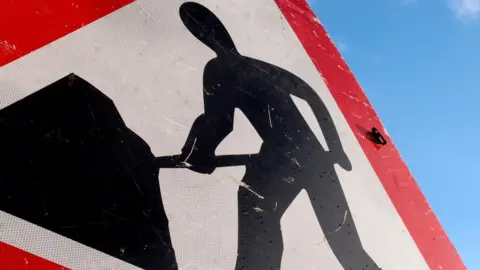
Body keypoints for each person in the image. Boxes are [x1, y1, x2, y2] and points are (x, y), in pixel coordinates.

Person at [178, 2, 379, 269]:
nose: (211, 33)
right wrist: (334, 147)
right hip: (314, 156)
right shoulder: (251, 66)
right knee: (347, 245)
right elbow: (311, 97)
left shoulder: (220, 70)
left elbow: (219, 123)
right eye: (203, 29)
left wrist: (197, 153)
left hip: (284, 155)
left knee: (255, 207)